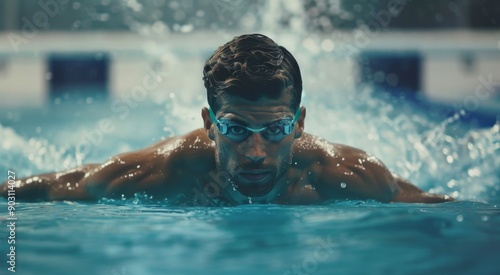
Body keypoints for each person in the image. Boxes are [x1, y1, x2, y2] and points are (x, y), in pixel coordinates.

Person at [1, 34, 453, 205]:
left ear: (299, 124)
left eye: (275, 131)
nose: (256, 153)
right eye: (236, 129)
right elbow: (62, 184)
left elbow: (440, 208)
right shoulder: (164, 172)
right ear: (209, 124)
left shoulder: (346, 175)